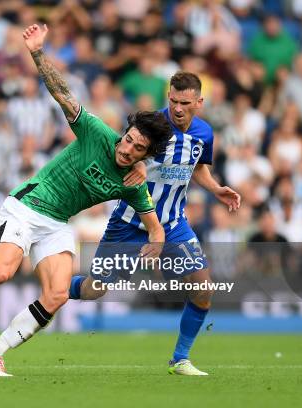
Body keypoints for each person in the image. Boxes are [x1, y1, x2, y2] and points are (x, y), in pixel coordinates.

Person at [0, 24, 171, 377]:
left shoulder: (134, 181)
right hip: (27, 205)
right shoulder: (98, 133)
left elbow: (155, 227)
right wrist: (37, 53)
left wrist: (155, 247)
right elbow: (63, 94)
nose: (127, 148)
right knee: (1, 272)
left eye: (138, 149)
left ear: (147, 154)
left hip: (56, 224)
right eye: (128, 139)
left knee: (56, 295)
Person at [69, 71, 241, 376]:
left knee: (203, 288)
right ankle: (54, 288)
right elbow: (121, 153)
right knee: (96, 289)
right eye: (173, 100)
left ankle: (181, 358)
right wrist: (137, 163)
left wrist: (216, 189)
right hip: (130, 222)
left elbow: (196, 168)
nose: (177, 108)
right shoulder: (153, 127)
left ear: (199, 102)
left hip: (174, 224)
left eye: (185, 102)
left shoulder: (204, 134)